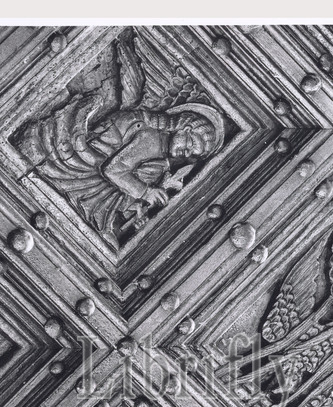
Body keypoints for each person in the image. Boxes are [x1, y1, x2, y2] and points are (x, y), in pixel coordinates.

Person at [13, 33, 225, 248]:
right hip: (83, 171)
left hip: (101, 184)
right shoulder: (151, 137)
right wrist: (146, 192)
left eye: (190, 154)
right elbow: (113, 170)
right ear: (185, 129)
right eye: (189, 146)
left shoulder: (160, 151)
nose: (185, 154)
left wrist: (138, 209)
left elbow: (129, 180)